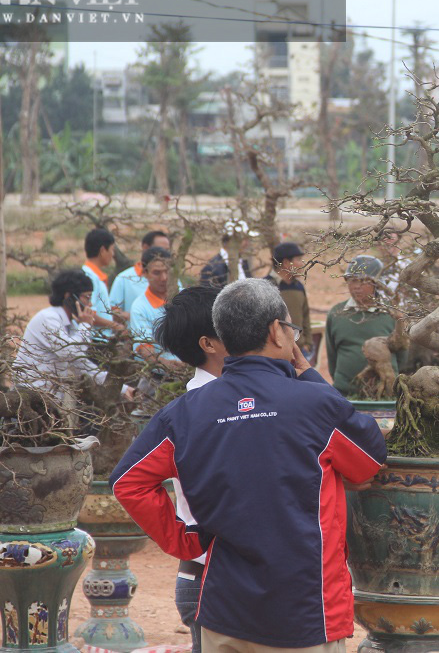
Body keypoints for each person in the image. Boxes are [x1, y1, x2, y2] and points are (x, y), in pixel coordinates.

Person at [111, 278, 387, 652]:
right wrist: (313, 380)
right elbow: (369, 463)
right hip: (304, 613)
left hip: (224, 611)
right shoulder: (315, 405)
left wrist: (186, 538)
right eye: (291, 327)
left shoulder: (184, 414)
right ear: (277, 331)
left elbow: (127, 482)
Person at [152, 285, 225, 653]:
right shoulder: (203, 410)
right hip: (209, 578)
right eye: (233, 322)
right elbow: (129, 483)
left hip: (205, 575)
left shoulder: (213, 400)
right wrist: (182, 538)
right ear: (209, 344)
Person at [12, 269, 132, 399]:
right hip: (30, 392)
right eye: (86, 297)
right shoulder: (48, 319)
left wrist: (123, 388)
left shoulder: (72, 325)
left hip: (50, 395)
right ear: (69, 297)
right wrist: (86, 324)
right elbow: (70, 353)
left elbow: (82, 364)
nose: (90, 304)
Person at [325, 255, 399, 397]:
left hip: (384, 394)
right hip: (345, 393)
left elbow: (402, 354)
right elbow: (332, 355)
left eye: (363, 281)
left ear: (377, 284)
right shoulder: (336, 314)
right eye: (352, 280)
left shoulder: (392, 314)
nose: (357, 286)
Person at [128, 247, 185, 371]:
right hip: (158, 377)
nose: (164, 278)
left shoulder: (184, 297)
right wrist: (165, 363)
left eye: (167, 271)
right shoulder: (140, 307)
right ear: (144, 272)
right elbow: (144, 348)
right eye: (157, 272)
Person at [265, 241, 313, 357]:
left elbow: (305, 315)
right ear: (286, 262)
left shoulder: (299, 286)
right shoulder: (265, 286)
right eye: (298, 259)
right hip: (274, 353)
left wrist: (308, 343)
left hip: (300, 351)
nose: (302, 263)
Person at [109, 230, 172, 318]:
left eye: (167, 250)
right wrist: (136, 316)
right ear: (145, 247)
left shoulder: (173, 279)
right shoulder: (124, 278)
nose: (163, 254)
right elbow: (112, 310)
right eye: (159, 249)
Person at [82, 228, 126, 334]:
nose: (112, 254)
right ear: (102, 250)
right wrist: (115, 326)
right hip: (96, 340)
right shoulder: (91, 277)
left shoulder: (91, 274)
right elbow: (89, 313)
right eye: (111, 249)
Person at [199, 219, 257, 288]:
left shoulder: (243, 263)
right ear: (230, 241)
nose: (247, 243)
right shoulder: (211, 270)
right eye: (244, 239)